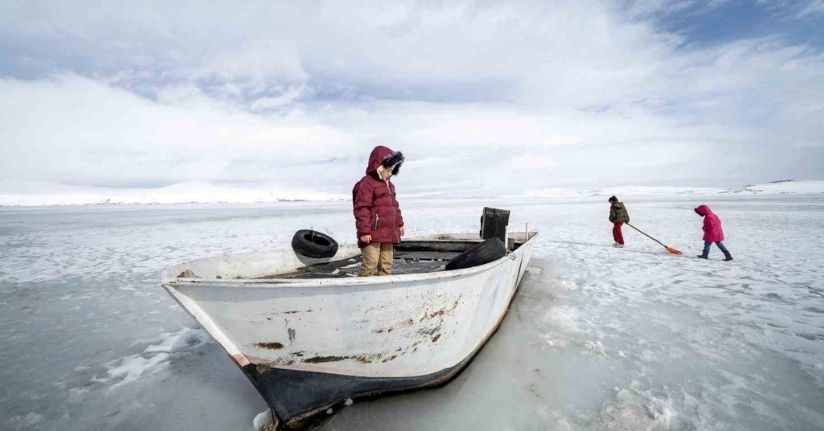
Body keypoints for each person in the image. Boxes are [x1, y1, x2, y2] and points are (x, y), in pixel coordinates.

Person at [352, 146, 405, 276]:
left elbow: (394, 206)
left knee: (386, 264)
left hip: (389, 231)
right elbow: (361, 208)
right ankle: (364, 289)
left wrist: (400, 224)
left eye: (392, 170)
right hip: (372, 232)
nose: (390, 173)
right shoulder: (366, 184)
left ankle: (383, 290)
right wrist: (364, 231)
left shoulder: (390, 186)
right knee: (370, 263)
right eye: (388, 169)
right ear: (379, 166)